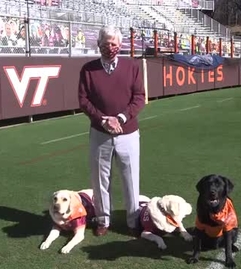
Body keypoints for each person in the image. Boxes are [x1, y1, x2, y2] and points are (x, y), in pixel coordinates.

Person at [78, 25, 146, 237]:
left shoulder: (132, 67)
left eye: (114, 44)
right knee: (100, 179)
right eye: (106, 43)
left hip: (128, 133)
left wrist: (121, 118)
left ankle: (133, 221)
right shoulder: (88, 69)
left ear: (120, 45)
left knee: (131, 178)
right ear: (98, 44)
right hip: (100, 133)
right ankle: (102, 220)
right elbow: (83, 100)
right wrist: (102, 120)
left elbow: (139, 97)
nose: (110, 47)